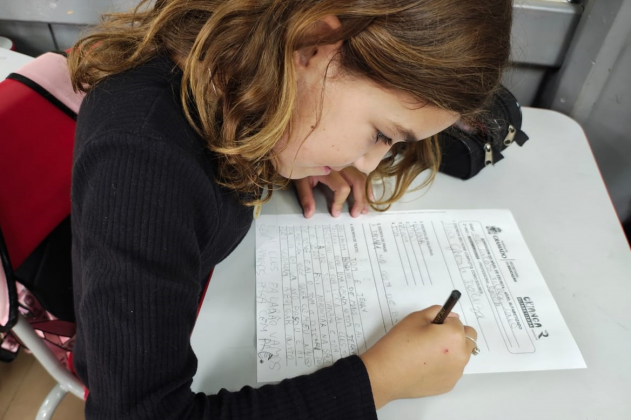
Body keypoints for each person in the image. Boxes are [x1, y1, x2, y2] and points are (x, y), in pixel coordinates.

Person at [67, 0, 512, 419]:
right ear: (312, 42)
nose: (367, 164)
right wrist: (380, 380)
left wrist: (283, 151)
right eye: (380, 134)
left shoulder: (235, 80)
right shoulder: (143, 161)